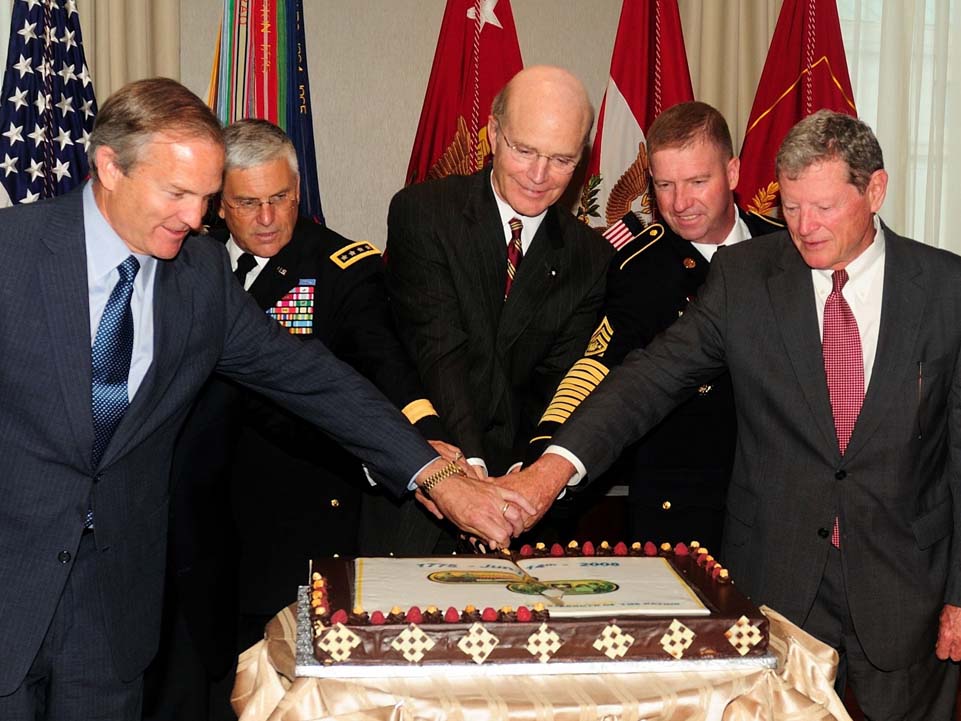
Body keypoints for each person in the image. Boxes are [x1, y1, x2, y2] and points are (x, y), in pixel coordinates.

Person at [0, 77, 530, 721]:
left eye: (205, 199)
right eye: (177, 193)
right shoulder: (12, 252)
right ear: (110, 167)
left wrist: (436, 475)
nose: (195, 219)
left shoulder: (198, 276)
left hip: (111, 609)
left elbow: (312, 378)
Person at [500, 110, 961, 719]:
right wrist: (551, 469)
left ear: (875, 190)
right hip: (779, 586)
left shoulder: (946, 288)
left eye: (824, 207)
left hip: (909, 589)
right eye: (791, 207)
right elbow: (648, 379)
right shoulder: (745, 278)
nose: (804, 228)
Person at [142, 119, 451, 720]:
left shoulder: (341, 266)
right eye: (247, 203)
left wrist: (427, 437)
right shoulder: (184, 257)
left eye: (280, 198)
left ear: (298, 190)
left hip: (291, 522)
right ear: (218, 203)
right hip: (192, 525)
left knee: (285, 693)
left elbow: (385, 366)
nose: (266, 218)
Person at [376, 65, 614, 553]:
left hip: (524, 512)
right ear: (492, 133)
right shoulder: (424, 213)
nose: (538, 176)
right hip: (423, 498)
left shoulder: (591, 257)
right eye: (524, 150)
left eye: (561, 159)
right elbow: (440, 352)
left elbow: (558, 385)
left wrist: (521, 485)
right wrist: (474, 481)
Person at [525, 102, 781, 551]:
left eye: (697, 182)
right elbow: (598, 370)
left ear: (733, 172)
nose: (680, 203)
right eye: (664, 185)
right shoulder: (637, 269)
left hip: (777, 506)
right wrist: (544, 457)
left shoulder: (785, 251)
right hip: (682, 511)